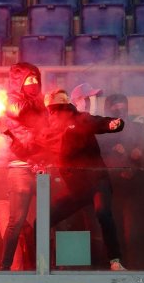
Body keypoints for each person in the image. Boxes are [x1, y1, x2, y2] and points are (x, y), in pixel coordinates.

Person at [44, 89, 127, 271]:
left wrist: (112, 124)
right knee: (43, 219)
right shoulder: (50, 128)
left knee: (103, 213)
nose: (55, 113)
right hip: (76, 187)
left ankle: (115, 260)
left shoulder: (79, 119)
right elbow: (37, 148)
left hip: (97, 180)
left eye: (61, 105)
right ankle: (41, 264)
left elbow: (97, 122)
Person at [0, 62, 54, 271]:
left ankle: (46, 265)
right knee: (16, 221)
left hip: (41, 167)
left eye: (36, 79)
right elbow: (21, 112)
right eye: (29, 80)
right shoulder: (12, 101)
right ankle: (5, 266)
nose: (34, 83)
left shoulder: (39, 103)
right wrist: (43, 103)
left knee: (50, 218)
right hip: (20, 168)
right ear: (18, 82)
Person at [98, 93, 144, 269]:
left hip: (138, 190)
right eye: (114, 105)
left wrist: (137, 153)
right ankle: (118, 271)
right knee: (114, 234)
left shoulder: (138, 128)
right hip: (112, 190)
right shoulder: (102, 131)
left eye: (121, 105)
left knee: (137, 234)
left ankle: (143, 271)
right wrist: (115, 154)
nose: (119, 109)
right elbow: (97, 157)